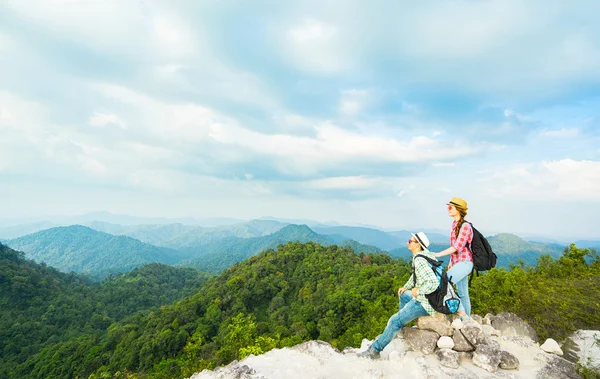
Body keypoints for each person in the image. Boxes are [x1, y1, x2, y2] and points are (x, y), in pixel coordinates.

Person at [358, 232, 440, 359]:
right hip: (432, 299)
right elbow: (416, 276)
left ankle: (374, 351)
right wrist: (406, 287)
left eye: (411, 241)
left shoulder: (420, 260)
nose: (408, 242)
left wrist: (417, 291)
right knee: (403, 295)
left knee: (394, 320)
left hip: (424, 302)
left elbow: (433, 283)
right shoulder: (425, 255)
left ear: (418, 245)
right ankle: (400, 328)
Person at [432, 197, 473, 320]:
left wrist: (438, 254)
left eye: (450, 207)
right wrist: (451, 261)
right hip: (458, 263)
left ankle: (464, 317)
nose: (448, 209)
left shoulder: (465, 226)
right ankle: (467, 320)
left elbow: (457, 246)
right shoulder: (455, 224)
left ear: (458, 210)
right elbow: (454, 246)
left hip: (465, 263)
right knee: (463, 294)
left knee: (445, 282)